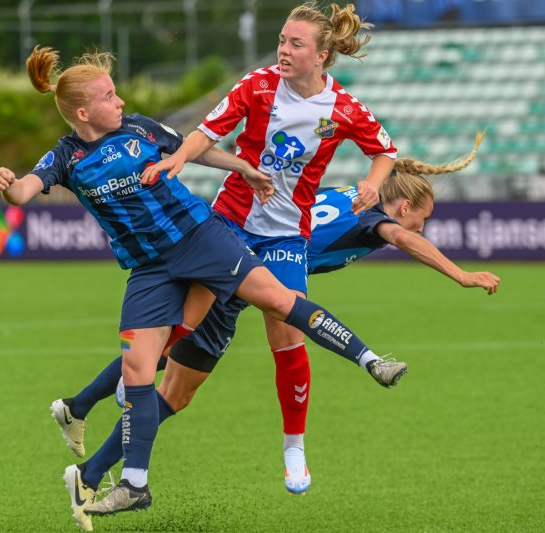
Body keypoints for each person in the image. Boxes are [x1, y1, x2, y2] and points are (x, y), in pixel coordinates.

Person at [0, 45, 407, 526]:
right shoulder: (65, 157)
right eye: (109, 96)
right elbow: (23, 190)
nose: (121, 100)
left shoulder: (140, 127)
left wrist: (243, 168)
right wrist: (7, 183)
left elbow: (196, 147)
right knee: (139, 369)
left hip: (201, 238)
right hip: (148, 268)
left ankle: (371, 359)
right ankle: (134, 485)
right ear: (83, 113)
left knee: (277, 299)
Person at [61, 135, 500, 531]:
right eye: (422, 217)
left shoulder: (349, 195)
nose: (422, 227)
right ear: (404, 207)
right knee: (174, 379)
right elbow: (406, 240)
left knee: (162, 361)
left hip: (231, 259)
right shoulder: (374, 220)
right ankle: (299, 441)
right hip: (235, 270)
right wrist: (459, 274)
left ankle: (80, 422)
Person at [139, 1, 398, 495]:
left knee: (286, 333)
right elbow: (207, 132)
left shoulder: (343, 108)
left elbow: (385, 149)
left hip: (285, 234)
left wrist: (372, 183)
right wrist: (179, 158)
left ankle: (294, 448)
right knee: (182, 327)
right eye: (281, 40)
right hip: (231, 222)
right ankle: (118, 388)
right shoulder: (256, 85)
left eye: (295, 44)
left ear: (321, 55)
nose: (283, 49)